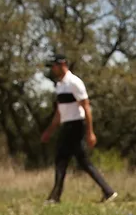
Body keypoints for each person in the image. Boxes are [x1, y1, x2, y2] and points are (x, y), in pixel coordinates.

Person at [41, 54, 118, 204]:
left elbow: (86, 108)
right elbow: (59, 112)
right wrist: (49, 131)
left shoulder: (74, 83)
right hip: (67, 124)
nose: (53, 69)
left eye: (54, 66)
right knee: (82, 161)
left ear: (62, 64)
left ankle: (55, 196)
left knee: (62, 159)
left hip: (76, 124)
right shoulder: (59, 85)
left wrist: (90, 132)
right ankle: (108, 191)